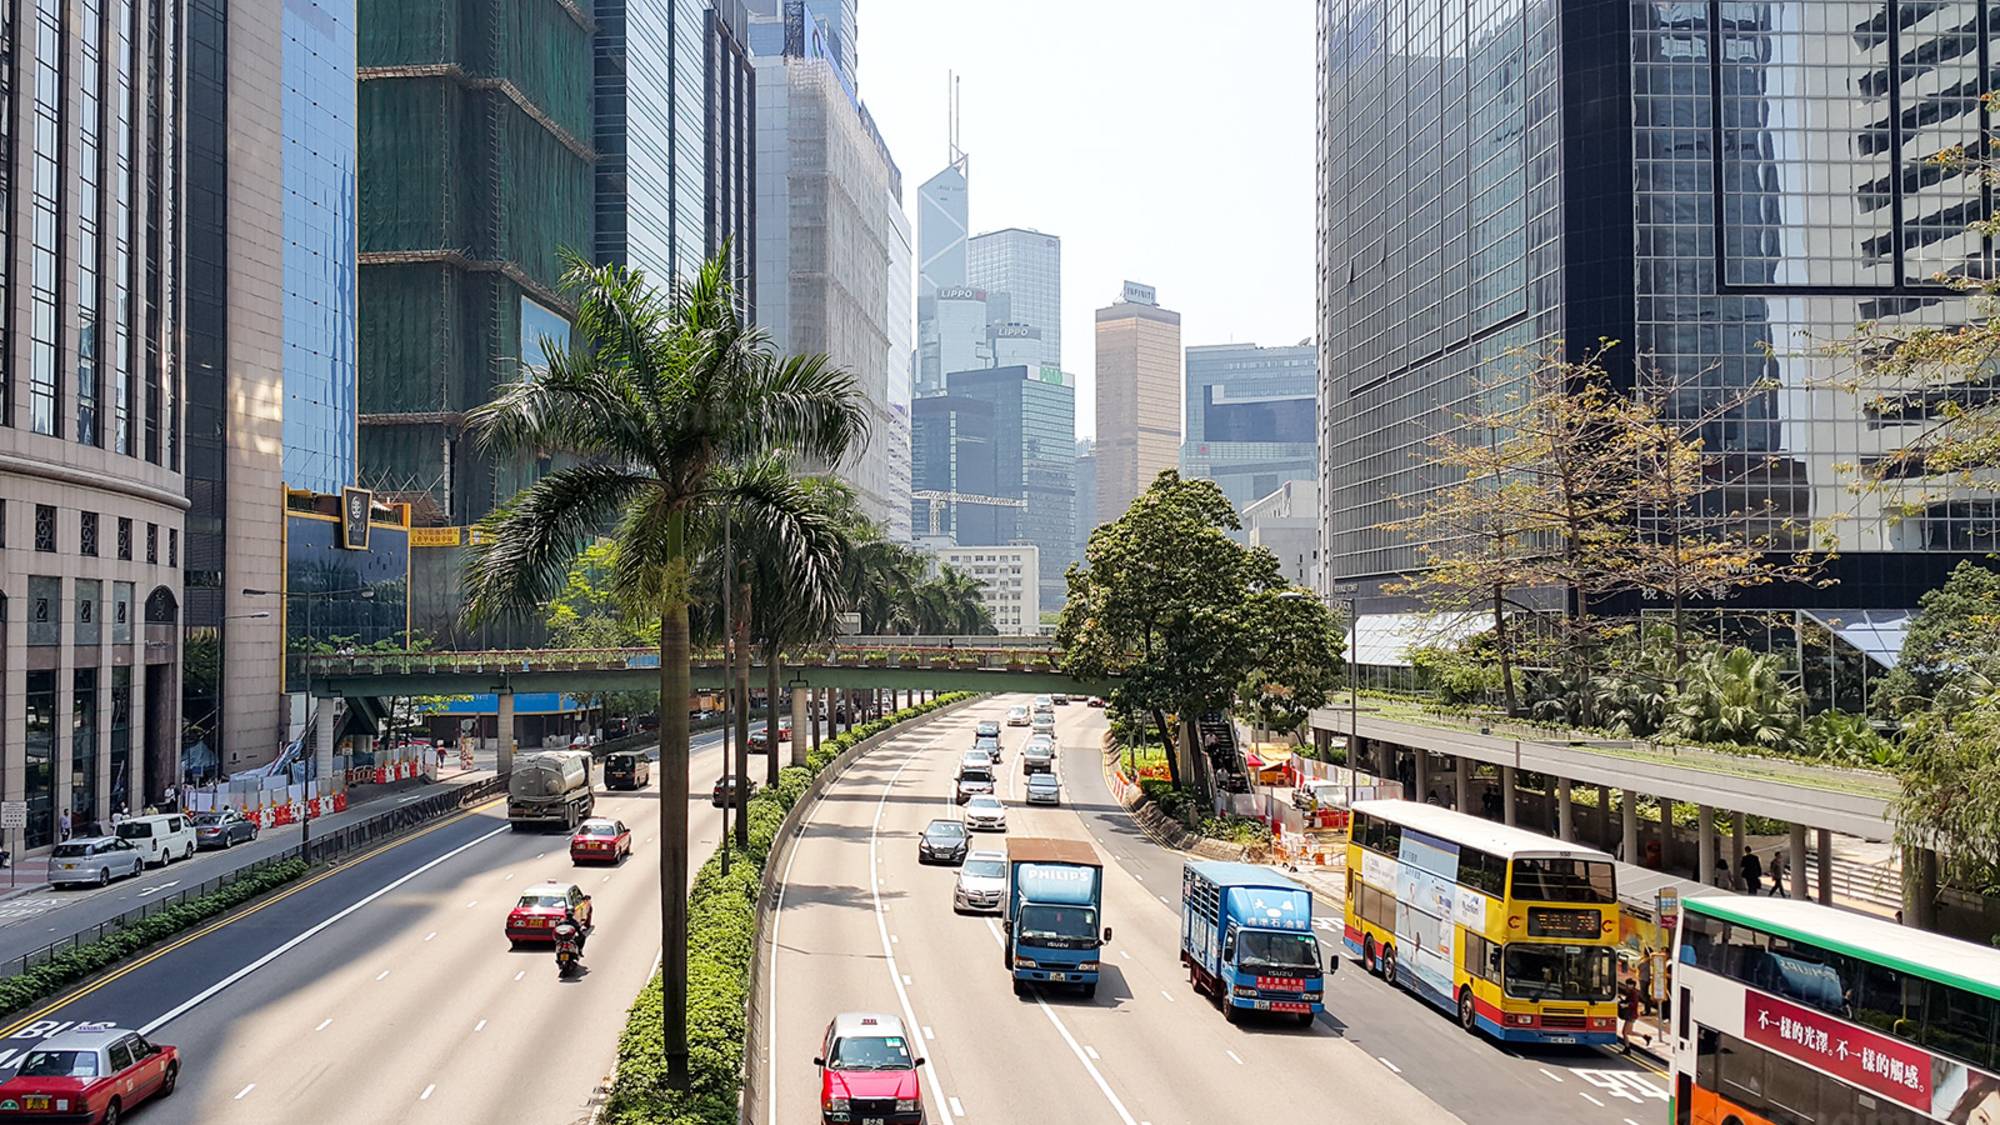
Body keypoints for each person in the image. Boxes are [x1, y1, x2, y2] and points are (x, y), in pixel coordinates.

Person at [1618, 975, 1645, 1052]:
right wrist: (1621, 1000)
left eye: (1629, 984)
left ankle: (1627, 1048)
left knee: (1624, 1032)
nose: (1627, 986)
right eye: (1627, 984)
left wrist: (1626, 1005)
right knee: (1629, 1032)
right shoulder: (1630, 992)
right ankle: (1645, 1037)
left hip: (1631, 1015)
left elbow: (1634, 1003)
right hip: (1631, 1015)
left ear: (1632, 985)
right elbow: (1628, 1001)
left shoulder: (1634, 993)